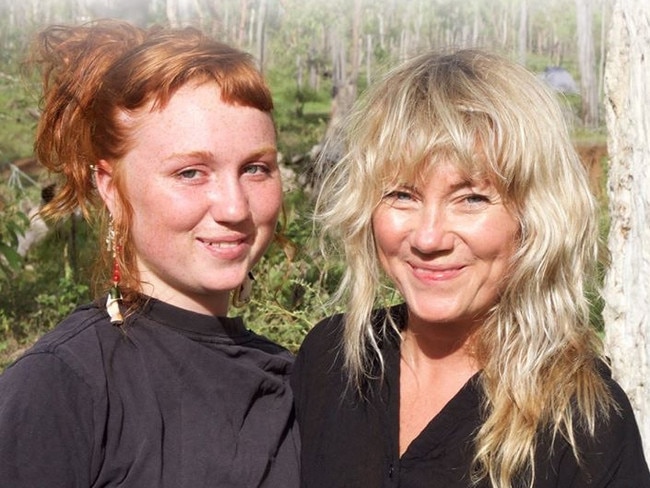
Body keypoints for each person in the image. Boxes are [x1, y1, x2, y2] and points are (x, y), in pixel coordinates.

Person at [291, 49, 650, 487]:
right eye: (402, 194)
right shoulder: (331, 361)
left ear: (533, 218)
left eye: (471, 199)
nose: (428, 238)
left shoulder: (582, 421)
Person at [0, 19, 299, 487]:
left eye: (256, 168)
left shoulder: (295, 381)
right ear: (111, 188)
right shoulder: (64, 386)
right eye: (190, 173)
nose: (235, 206)